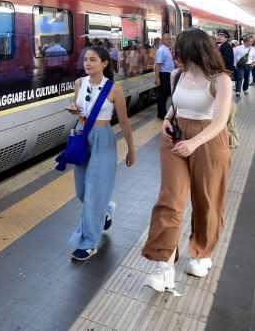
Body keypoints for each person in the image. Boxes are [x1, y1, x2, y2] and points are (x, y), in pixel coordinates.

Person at [142, 29, 233, 292]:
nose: (173, 53)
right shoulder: (177, 75)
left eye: (177, 48)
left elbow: (220, 121)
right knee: (170, 199)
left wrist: (194, 143)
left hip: (208, 141)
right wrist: (168, 120)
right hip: (176, 138)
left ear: (193, 49)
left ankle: (201, 253)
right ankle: (163, 265)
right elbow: (176, 105)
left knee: (207, 199)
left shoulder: (220, 80)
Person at [67, 46, 136, 261]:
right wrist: (76, 112)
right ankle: (106, 208)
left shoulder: (114, 89)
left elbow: (124, 121)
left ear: (104, 63)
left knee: (94, 192)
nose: (87, 63)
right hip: (82, 136)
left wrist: (131, 149)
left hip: (103, 140)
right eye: (86, 59)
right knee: (82, 192)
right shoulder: (79, 83)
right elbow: (81, 114)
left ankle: (88, 242)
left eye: (93, 60)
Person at [154, 33, 175, 119]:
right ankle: (162, 114)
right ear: (162, 40)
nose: (169, 41)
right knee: (162, 95)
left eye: (170, 39)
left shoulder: (168, 49)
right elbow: (157, 65)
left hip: (169, 74)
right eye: (166, 39)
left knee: (165, 95)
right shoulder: (161, 50)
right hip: (164, 75)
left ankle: (161, 114)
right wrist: (157, 78)